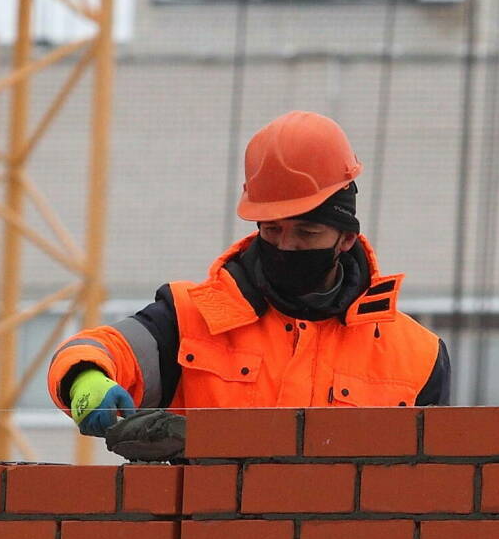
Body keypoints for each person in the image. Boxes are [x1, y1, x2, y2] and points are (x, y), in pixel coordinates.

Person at [47, 110, 451, 436]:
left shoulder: (416, 356)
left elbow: (430, 489)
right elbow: (100, 347)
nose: (286, 246)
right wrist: (85, 376)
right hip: (207, 518)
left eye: (307, 233)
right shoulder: (191, 320)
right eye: (272, 230)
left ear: (346, 238)